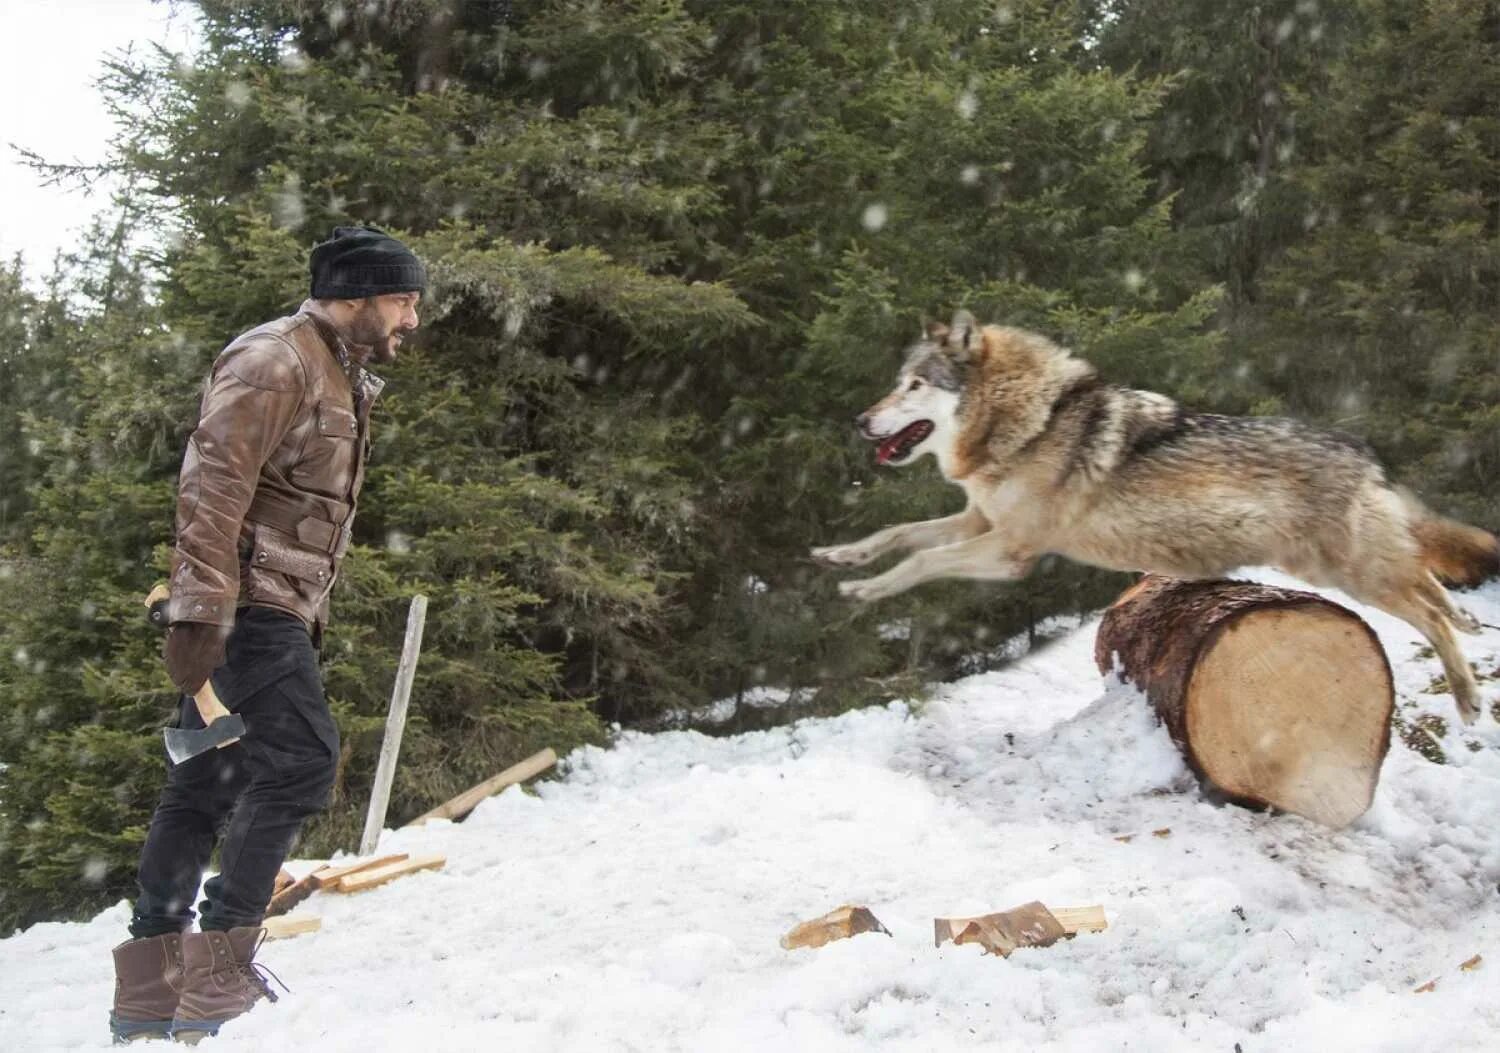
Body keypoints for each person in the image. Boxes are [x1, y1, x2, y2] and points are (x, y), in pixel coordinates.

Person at [108, 227, 425, 1043]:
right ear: (352, 296)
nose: (412, 319)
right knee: (302, 761)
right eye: (400, 300)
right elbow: (213, 487)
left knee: (207, 780)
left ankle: (151, 990)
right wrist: (202, 609)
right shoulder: (274, 359)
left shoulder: (336, 367)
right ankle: (216, 971)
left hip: (272, 599)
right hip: (251, 603)